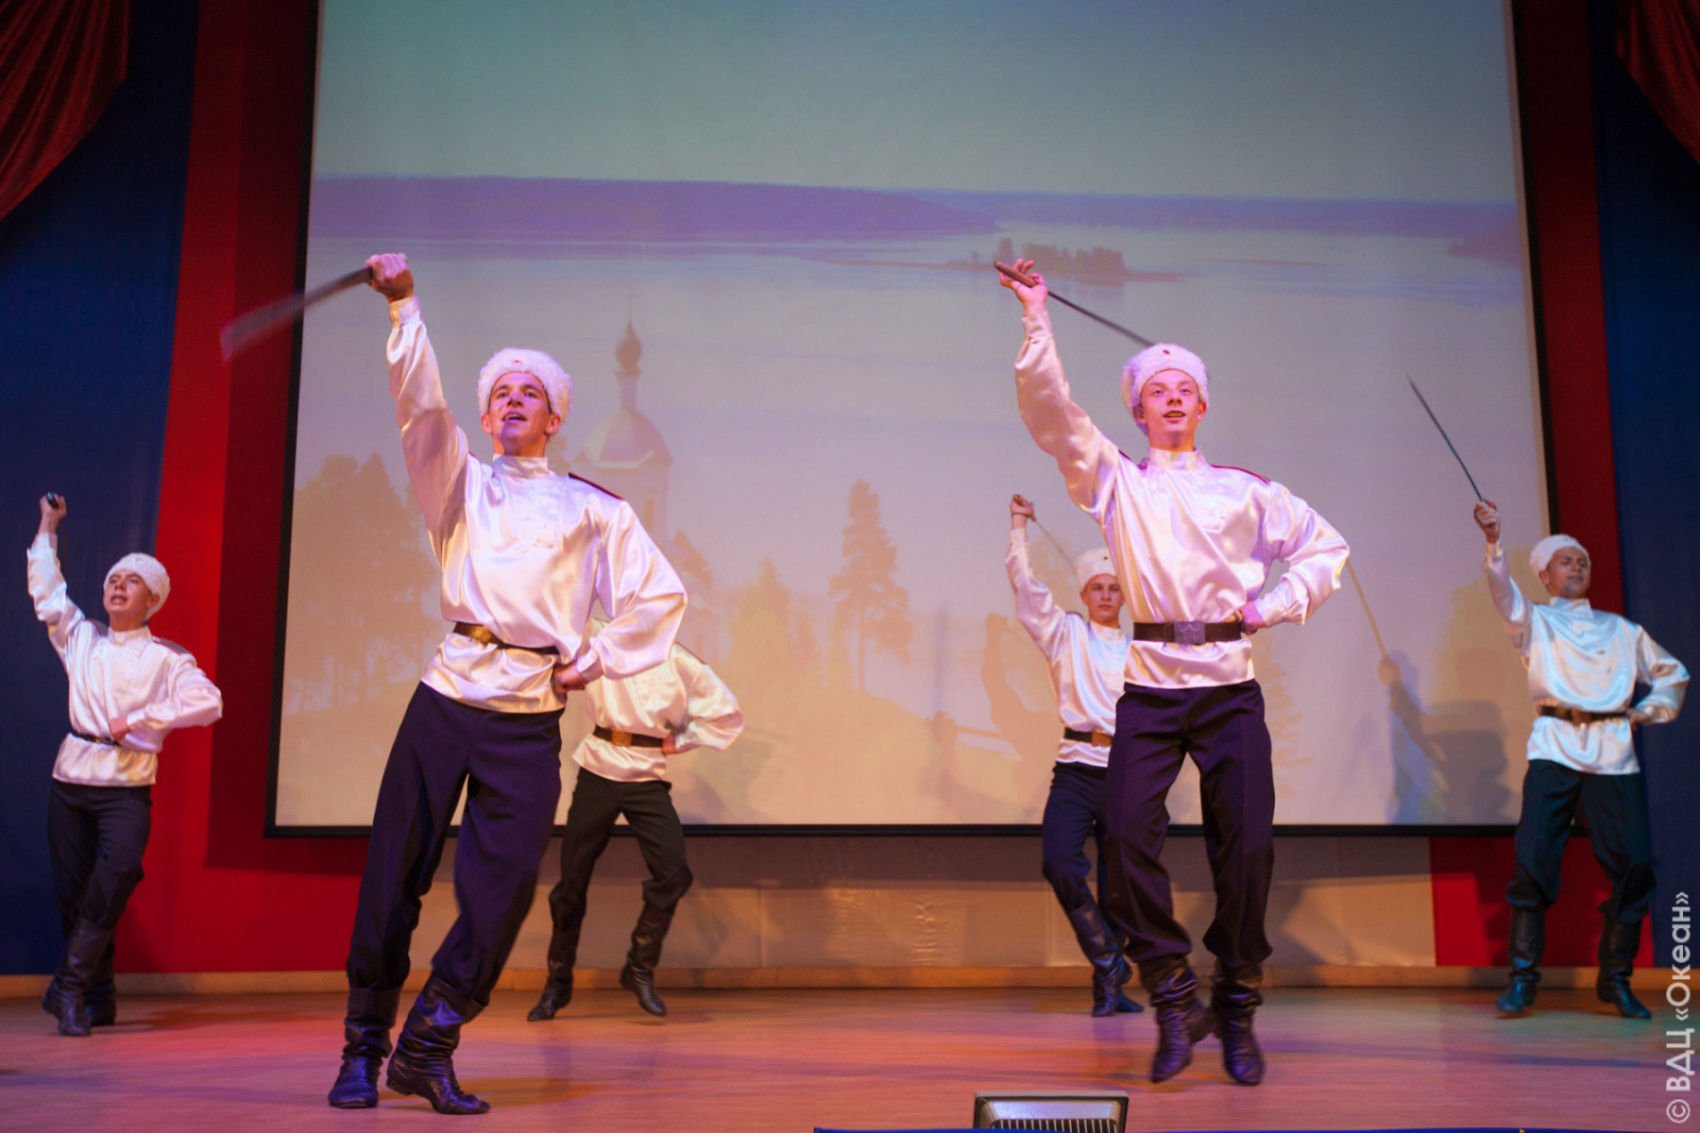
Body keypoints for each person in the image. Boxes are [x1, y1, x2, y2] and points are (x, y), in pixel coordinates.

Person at [328, 253, 686, 1115]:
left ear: (556, 416)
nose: (514, 401)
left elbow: (658, 596)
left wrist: (593, 659)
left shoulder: (596, 508)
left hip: (527, 716)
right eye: (501, 394)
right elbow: (421, 406)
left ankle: (429, 1040)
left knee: (504, 890)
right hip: (447, 697)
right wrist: (404, 308)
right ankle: (363, 1044)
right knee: (393, 874)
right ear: (486, 418)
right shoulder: (459, 482)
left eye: (531, 393)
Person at [998, 259, 1349, 1086]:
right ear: (1137, 409)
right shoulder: (1115, 482)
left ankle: (1237, 1004)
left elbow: (1327, 549)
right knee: (1123, 840)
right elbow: (1052, 414)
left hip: (1227, 687)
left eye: (1186, 388)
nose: (1174, 398)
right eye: (1158, 390)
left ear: (1204, 405)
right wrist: (1037, 319)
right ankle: (1170, 990)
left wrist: (1273, 604)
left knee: (1248, 849)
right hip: (1152, 690)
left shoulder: (1244, 490)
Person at [1472, 500, 1686, 1019]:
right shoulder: (1535, 621)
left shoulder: (1621, 630)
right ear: (1544, 575)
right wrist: (1493, 540)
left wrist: (1646, 711)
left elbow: (1672, 673)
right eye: (1566, 561)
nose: (1577, 567)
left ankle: (1616, 979)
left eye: (1583, 561)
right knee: (1534, 860)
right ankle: (1523, 979)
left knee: (1634, 865)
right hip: (1555, 746)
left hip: (1612, 751)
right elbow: (1502, 592)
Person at [27, 493, 224, 1037]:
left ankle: (68, 987)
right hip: (70, 781)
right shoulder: (82, 637)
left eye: (131, 581)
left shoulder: (167, 657)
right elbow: (47, 590)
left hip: (126, 787)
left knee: (114, 879)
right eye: (113, 578)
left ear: (151, 599)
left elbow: (209, 702)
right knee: (74, 894)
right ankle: (99, 995)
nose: (117, 586)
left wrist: (141, 718)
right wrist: (47, 525)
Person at [527, 634, 742, 1022]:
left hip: (646, 776)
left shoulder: (681, 661)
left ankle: (638, 968)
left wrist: (681, 741)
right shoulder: (600, 642)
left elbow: (726, 714)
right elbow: (558, 666)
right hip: (598, 770)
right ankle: (557, 982)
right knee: (572, 881)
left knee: (673, 873)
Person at [1005, 493, 1142, 1018]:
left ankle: (1109, 985)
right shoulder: (1066, 633)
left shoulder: (1140, 650)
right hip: (1076, 768)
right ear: (1084, 593)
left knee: (1119, 883)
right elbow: (1026, 588)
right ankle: (1109, 960)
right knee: (1059, 861)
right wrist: (1019, 527)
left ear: (1124, 597)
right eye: (1097, 588)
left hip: (1125, 773)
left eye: (1113, 588)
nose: (1105, 595)